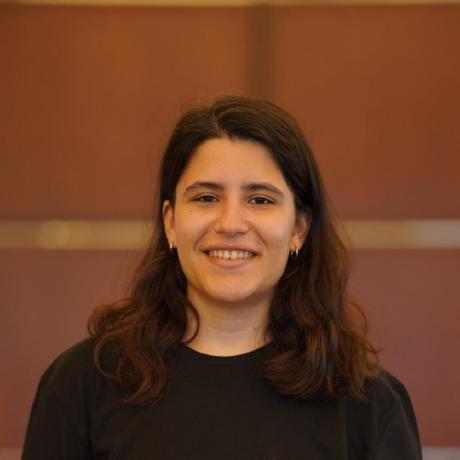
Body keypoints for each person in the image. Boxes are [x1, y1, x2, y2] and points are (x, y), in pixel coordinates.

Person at [22, 96, 422, 460]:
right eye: (206, 198)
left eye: (260, 200)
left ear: (299, 228)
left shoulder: (367, 402)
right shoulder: (82, 383)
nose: (230, 223)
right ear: (171, 222)